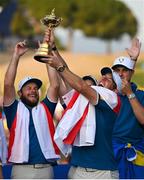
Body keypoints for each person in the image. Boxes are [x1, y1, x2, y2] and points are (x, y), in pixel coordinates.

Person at [40, 30, 123, 179]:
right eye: (102, 76)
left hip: (102, 173)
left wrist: (60, 67)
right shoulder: (83, 101)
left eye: (108, 79)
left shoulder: (113, 100)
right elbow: (68, 81)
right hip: (77, 170)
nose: (102, 79)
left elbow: (81, 86)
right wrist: (53, 49)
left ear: (115, 89)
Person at [3, 40, 60, 179]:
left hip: (46, 169)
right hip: (22, 170)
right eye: (28, 88)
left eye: (35, 88)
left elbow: (55, 85)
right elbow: (8, 84)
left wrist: (46, 55)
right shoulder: (13, 108)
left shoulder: (46, 107)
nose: (33, 91)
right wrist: (16, 56)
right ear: (20, 93)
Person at [111, 39, 144, 179]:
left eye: (124, 70)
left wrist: (130, 93)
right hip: (112, 156)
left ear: (131, 72)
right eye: (117, 70)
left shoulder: (141, 94)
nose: (120, 74)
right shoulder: (108, 97)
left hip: (137, 157)